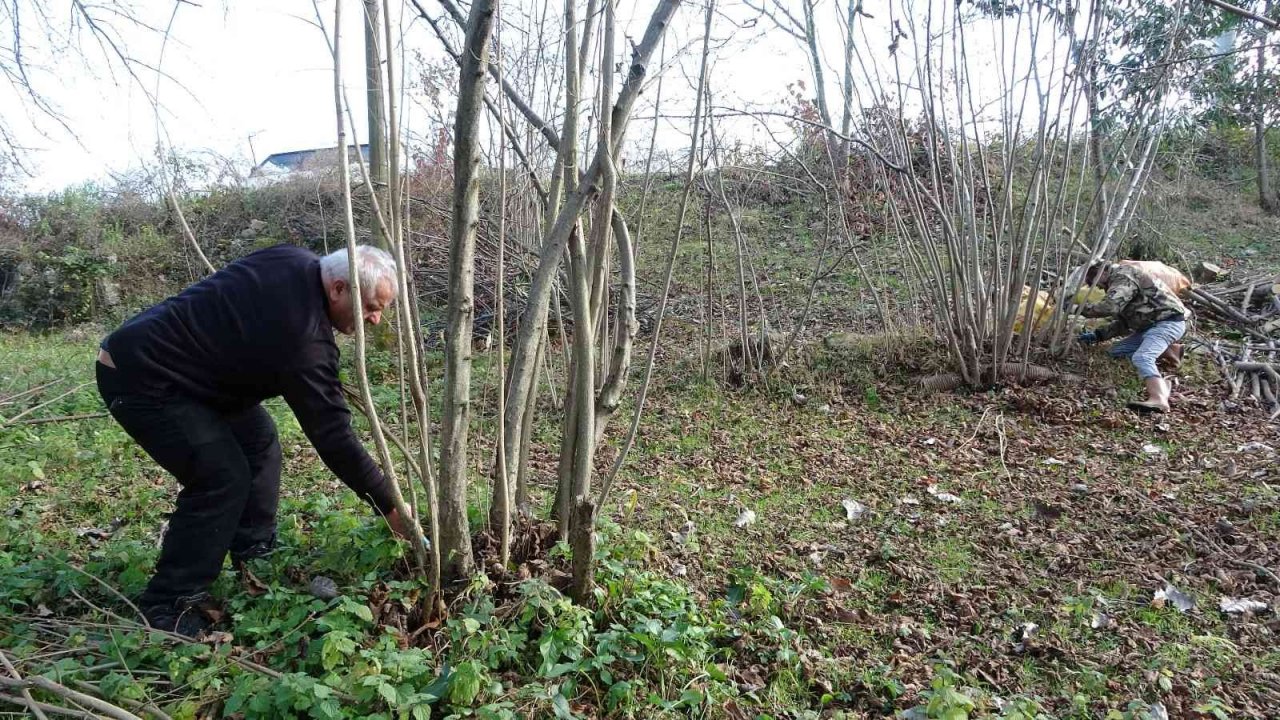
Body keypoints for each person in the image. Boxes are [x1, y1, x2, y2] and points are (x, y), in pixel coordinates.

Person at [95, 243, 410, 637]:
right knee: (220, 477)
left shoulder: (294, 259)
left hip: (194, 374)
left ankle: (253, 552)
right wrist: (388, 505)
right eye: (371, 307)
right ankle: (169, 602)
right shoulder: (303, 339)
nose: (376, 320)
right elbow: (333, 435)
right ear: (338, 289)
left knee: (259, 442)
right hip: (142, 376)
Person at [1076, 261, 1190, 413]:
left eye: (1095, 283)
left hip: (1167, 323)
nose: (1099, 288)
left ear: (1101, 272)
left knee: (1142, 357)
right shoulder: (1121, 281)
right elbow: (1124, 322)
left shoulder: (1123, 276)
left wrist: (1078, 309)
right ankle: (1169, 351)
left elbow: (1110, 307)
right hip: (1149, 327)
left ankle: (1159, 399)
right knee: (1115, 352)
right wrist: (1098, 335)